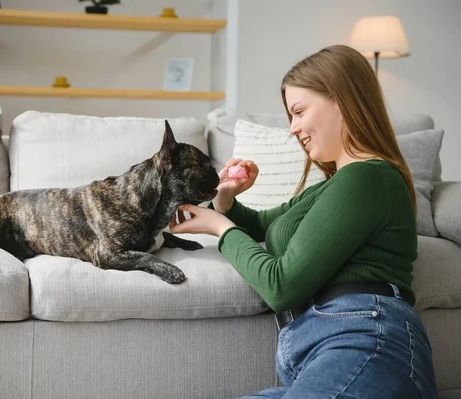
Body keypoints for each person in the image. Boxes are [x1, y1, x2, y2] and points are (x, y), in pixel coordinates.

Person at [169, 44, 438, 398]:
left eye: (298, 112)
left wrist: (221, 229)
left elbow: (281, 286)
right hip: (323, 351)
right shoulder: (331, 187)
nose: (293, 129)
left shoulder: (367, 179)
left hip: (365, 341)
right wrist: (225, 197)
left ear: (342, 101)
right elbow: (261, 225)